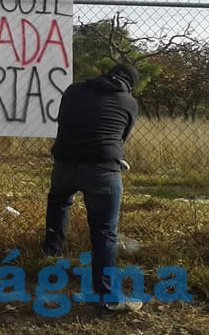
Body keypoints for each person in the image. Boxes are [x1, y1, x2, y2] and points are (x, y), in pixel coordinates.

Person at [42, 62, 141, 312]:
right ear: (129, 84)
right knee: (104, 232)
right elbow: (121, 137)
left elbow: (63, 121)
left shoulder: (74, 90)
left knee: (59, 202)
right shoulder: (128, 102)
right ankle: (107, 297)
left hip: (64, 162)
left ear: (106, 74)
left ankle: (52, 255)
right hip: (102, 169)